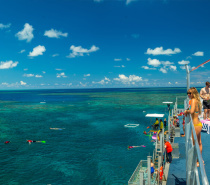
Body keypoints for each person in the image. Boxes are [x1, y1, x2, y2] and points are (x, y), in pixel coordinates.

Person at [185, 87, 203, 166]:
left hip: (195, 125)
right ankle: (200, 160)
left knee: (193, 143)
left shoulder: (193, 100)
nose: (189, 94)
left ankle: (196, 161)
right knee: (199, 143)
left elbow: (191, 111)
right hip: (199, 124)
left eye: (190, 93)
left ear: (193, 94)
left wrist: (186, 111)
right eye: (188, 93)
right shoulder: (198, 101)